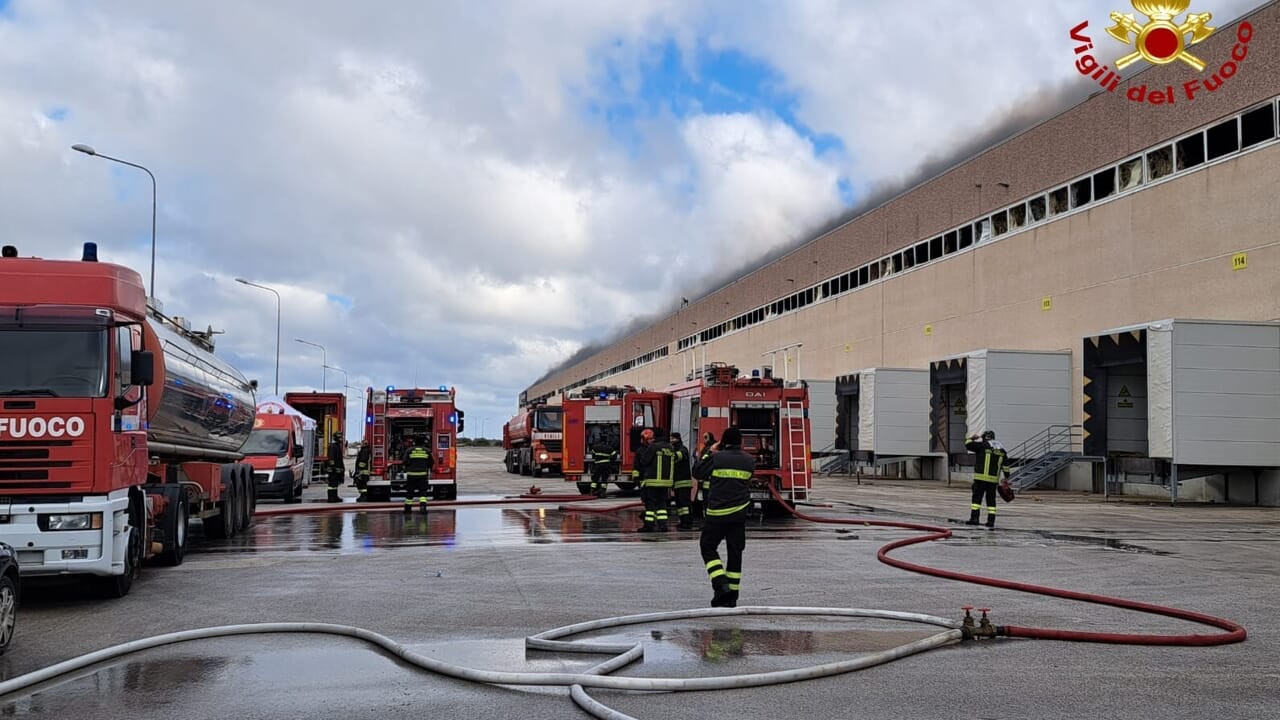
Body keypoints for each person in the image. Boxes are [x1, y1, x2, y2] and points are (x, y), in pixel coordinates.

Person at [692, 427, 754, 607]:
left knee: (708, 547)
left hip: (717, 513)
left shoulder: (716, 457)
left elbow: (697, 472)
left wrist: (709, 453)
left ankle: (720, 585)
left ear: (722, 442)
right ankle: (732, 596)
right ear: (740, 442)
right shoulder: (749, 461)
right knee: (735, 553)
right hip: (739, 514)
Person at [965, 430, 1007, 529]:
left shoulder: (982, 446)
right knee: (991, 501)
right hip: (993, 481)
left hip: (980, 479)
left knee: (976, 500)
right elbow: (1006, 466)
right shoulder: (1001, 450)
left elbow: (968, 445)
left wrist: (972, 438)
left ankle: (974, 519)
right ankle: (991, 521)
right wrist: (1006, 477)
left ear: (984, 437)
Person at [634, 429, 675, 532]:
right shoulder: (670, 447)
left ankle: (649, 525)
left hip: (652, 481)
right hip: (666, 482)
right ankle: (663, 525)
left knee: (650, 505)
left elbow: (644, 461)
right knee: (662, 505)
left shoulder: (654, 447)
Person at [401, 435, 434, 513]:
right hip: (423, 475)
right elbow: (431, 462)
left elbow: (405, 461)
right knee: (423, 493)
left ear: (414, 442)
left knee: (409, 493)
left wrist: (409, 466)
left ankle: (407, 509)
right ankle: (423, 508)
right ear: (423, 442)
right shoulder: (427, 451)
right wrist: (426, 467)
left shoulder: (409, 450)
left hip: (411, 475)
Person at [670, 432, 695, 529]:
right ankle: (683, 521)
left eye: (673, 439)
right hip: (677, 483)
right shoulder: (675, 449)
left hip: (683, 483)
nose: (671, 440)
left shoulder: (682, 449)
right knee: (680, 504)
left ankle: (687, 522)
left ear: (677, 439)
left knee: (684, 504)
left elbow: (678, 456)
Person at [325, 433, 345, 503]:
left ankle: (335, 496)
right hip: (333, 470)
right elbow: (331, 458)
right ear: (336, 438)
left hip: (336, 469)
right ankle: (331, 498)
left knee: (335, 484)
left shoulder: (337, 446)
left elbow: (339, 459)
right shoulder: (333, 446)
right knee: (332, 485)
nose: (341, 439)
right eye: (340, 438)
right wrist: (333, 468)